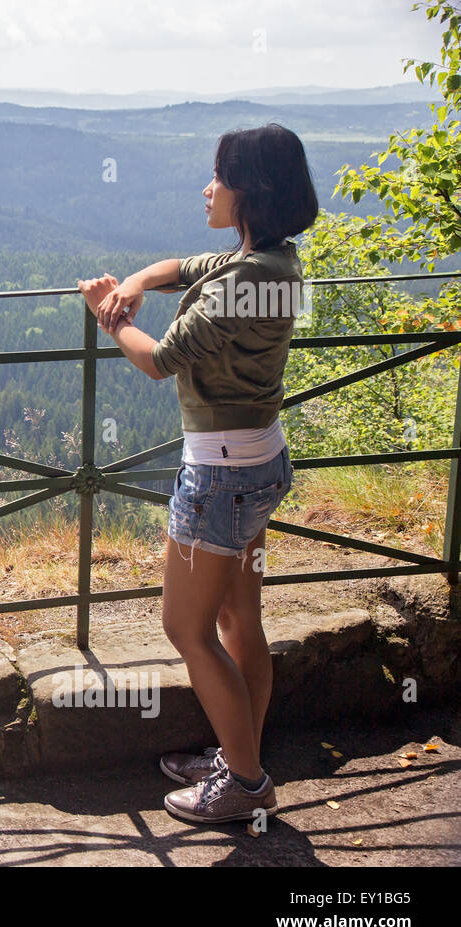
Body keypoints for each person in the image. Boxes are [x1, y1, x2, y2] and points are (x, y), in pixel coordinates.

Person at [77, 123, 319, 825]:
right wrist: (143, 278)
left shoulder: (246, 281)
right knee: (241, 615)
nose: (206, 188)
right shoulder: (274, 261)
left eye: (218, 176)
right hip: (259, 462)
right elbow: (196, 268)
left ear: (250, 190)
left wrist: (106, 313)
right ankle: (239, 753)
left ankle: (243, 784)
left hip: (218, 478)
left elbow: (159, 360)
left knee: (186, 628)